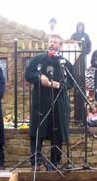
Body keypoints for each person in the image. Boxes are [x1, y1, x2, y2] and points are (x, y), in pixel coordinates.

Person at [25, 34, 74, 169]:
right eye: (50, 42)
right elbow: (28, 74)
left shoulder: (64, 63)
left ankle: (55, 160)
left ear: (60, 46)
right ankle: (35, 159)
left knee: (56, 131)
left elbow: (71, 82)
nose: (52, 44)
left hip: (58, 103)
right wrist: (39, 77)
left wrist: (58, 85)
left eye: (55, 42)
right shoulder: (38, 59)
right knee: (38, 129)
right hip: (41, 101)